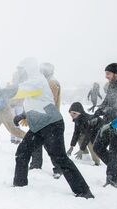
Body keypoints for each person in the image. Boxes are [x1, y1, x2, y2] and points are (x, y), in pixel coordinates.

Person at [10, 58, 94, 198]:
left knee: (60, 157)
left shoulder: (37, 80)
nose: (18, 73)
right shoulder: (31, 82)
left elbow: (14, 92)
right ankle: (20, 186)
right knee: (22, 152)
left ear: (28, 69)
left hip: (51, 125)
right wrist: (22, 115)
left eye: (20, 69)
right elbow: (36, 103)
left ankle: (83, 191)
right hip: (38, 126)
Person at [30, 62, 62, 177]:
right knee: (35, 142)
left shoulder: (52, 82)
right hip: (40, 118)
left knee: (50, 145)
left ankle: (58, 168)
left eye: (43, 70)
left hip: (48, 119)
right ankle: (35, 165)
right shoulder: (44, 82)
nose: (41, 72)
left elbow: (49, 101)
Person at [66, 102, 102, 166]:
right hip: (89, 132)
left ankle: (96, 162)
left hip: (99, 130)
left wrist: (81, 149)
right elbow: (76, 133)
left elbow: (88, 135)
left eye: (74, 113)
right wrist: (72, 146)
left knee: (91, 143)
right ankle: (86, 156)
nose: (72, 115)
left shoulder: (87, 120)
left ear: (80, 113)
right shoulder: (77, 119)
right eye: (71, 112)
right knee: (80, 137)